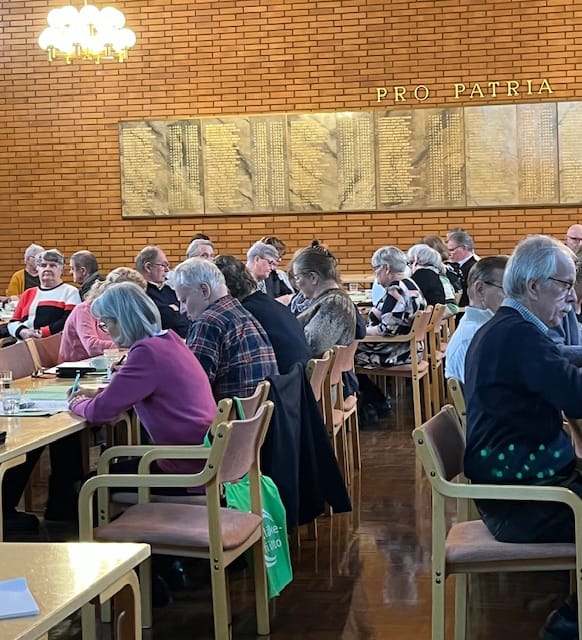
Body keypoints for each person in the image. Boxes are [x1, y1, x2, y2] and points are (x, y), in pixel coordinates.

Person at [463, 235, 582, 640]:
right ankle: (568, 624)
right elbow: (575, 395)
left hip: (525, 485)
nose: (572, 297)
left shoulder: (510, 327)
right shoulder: (518, 335)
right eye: (565, 286)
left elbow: (558, 359)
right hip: (520, 502)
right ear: (533, 286)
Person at [68, 282, 217, 480]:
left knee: (91, 483)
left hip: (185, 466)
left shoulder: (146, 353)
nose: (106, 331)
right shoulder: (169, 340)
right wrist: (97, 394)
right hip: (202, 454)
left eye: (105, 324)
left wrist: (76, 403)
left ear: (121, 321)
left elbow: (99, 413)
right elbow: (131, 390)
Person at [173, 258, 278, 400]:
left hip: (226, 413)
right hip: (251, 412)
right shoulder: (241, 312)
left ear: (204, 290)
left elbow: (189, 390)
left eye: (184, 300)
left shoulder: (208, 321)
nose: (182, 310)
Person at [214, 255, 310, 373]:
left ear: (224, 288)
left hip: (285, 381)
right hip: (299, 378)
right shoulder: (269, 303)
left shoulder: (242, 315)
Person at [356, 246, 427, 368]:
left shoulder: (396, 289)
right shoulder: (410, 283)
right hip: (411, 348)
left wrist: (359, 331)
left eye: (375, 269)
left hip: (396, 352)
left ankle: (364, 382)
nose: (375, 274)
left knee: (343, 354)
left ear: (387, 268)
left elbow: (386, 330)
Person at [59, 267, 147, 362]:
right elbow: (92, 347)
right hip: (78, 368)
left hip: (105, 364)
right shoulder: (84, 310)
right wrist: (131, 345)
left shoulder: (117, 311)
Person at [444, 256, 508, 383]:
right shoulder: (475, 337)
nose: (515, 299)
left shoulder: (487, 328)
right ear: (480, 290)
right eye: (507, 290)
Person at [290, 241, 356, 357]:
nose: (297, 285)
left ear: (313, 277)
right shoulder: (332, 300)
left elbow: (312, 346)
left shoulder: (335, 303)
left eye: (297, 278)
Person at [7, 249, 80, 341]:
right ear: (37, 269)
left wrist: (42, 332)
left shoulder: (70, 292)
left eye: (52, 265)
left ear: (61, 269)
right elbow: (13, 322)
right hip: (25, 343)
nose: (47, 268)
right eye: (43, 265)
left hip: (56, 343)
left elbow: (70, 321)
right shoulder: (28, 293)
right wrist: (22, 331)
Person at [135, 245, 189, 339]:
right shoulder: (139, 293)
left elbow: (184, 316)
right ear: (148, 267)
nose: (167, 270)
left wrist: (173, 312)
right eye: (163, 265)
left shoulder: (168, 290)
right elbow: (166, 320)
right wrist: (174, 312)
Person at [406, 244, 452, 311]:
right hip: (434, 315)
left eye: (410, 262)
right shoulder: (435, 275)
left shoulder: (420, 275)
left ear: (416, 260)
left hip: (422, 316)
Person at [446, 230, 478, 308]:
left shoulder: (474, 267)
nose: (449, 254)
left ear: (464, 248)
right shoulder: (455, 266)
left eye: (452, 250)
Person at [260, 235, 294, 301]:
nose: (280, 260)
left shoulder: (280, 275)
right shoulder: (253, 277)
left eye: (281, 256)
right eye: (278, 256)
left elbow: (290, 295)